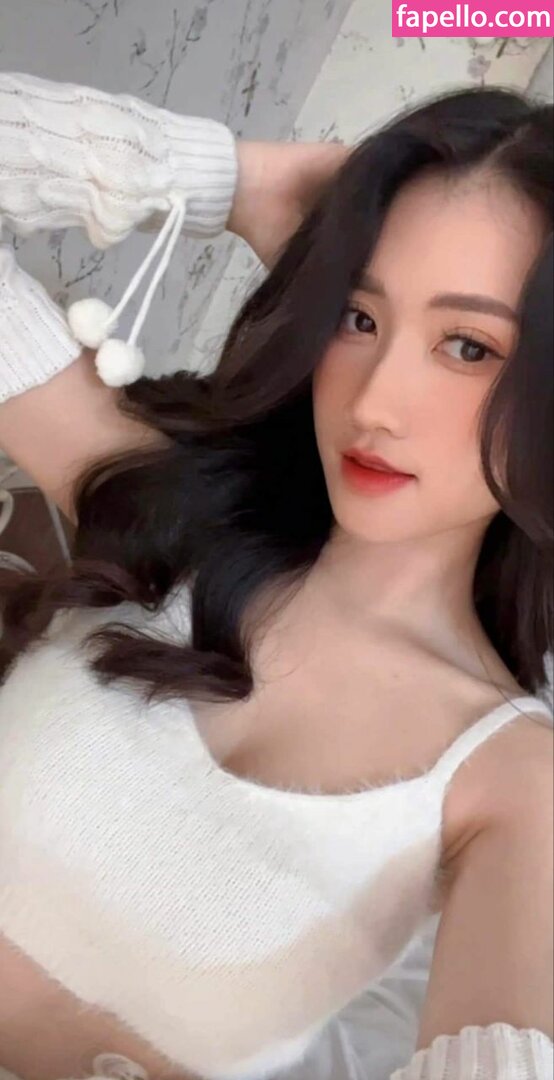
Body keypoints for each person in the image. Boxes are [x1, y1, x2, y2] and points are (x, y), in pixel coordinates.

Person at [0, 69, 552, 1080]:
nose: (375, 401)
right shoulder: (173, 508)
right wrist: (230, 180)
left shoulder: (509, 785)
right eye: (357, 317)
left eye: (467, 346)